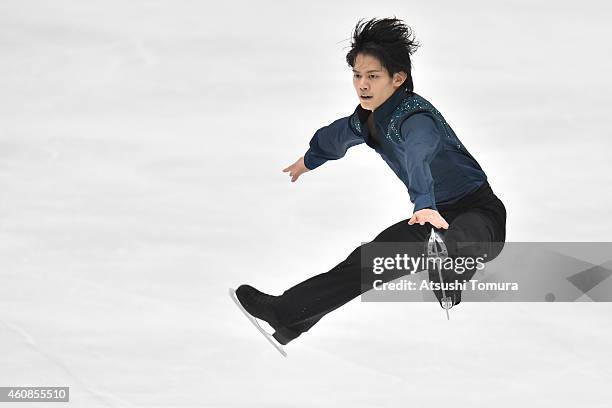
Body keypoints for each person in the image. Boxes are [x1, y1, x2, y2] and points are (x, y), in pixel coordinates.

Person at [234, 17, 506, 346]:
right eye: (357, 75)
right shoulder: (368, 120)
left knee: (461, 237)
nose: (363, 84)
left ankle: (450, 273)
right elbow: (336, 136)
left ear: (398, 78)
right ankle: (288, 314)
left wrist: (425, 203)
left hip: (479, 212)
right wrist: (309, 160)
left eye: (373, 76)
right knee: (363, 264)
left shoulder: (415, 118)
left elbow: (418, 154)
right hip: (428, 220)